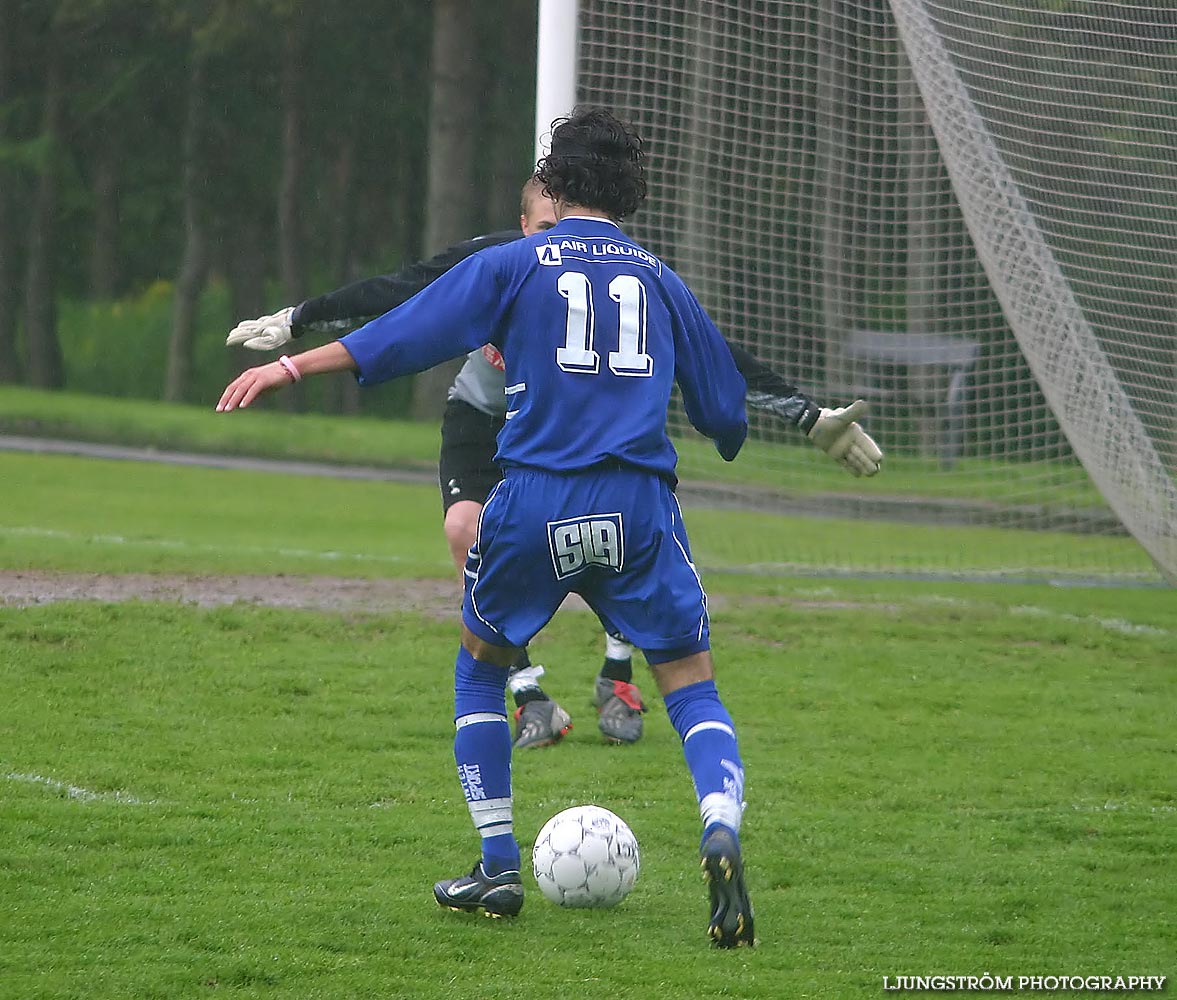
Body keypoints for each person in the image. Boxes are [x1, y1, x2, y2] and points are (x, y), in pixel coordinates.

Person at [217, 106, 881, 948]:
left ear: (554, 183)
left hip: (534, 502)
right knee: (693, 684)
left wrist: (288, 362)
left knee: (478, 669)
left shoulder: (517, 262)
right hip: (638, 508)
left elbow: (403, 332)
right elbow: (721, 409)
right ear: (629, 192)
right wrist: (787, 416)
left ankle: (496, 865)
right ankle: (718, 823)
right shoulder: (659, 278)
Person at [225, 180, 883, 752]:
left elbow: (712, 351)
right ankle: (528, 695)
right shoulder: (497, 262)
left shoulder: (624, 274)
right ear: (523, 226)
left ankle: (617, 675)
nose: (553, 238)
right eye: (542, 227)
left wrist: (804, 415)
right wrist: (296, 320)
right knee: (466, 530)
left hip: (581, 433)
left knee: (605, 539)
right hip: (486, 421)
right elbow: (399, 295)